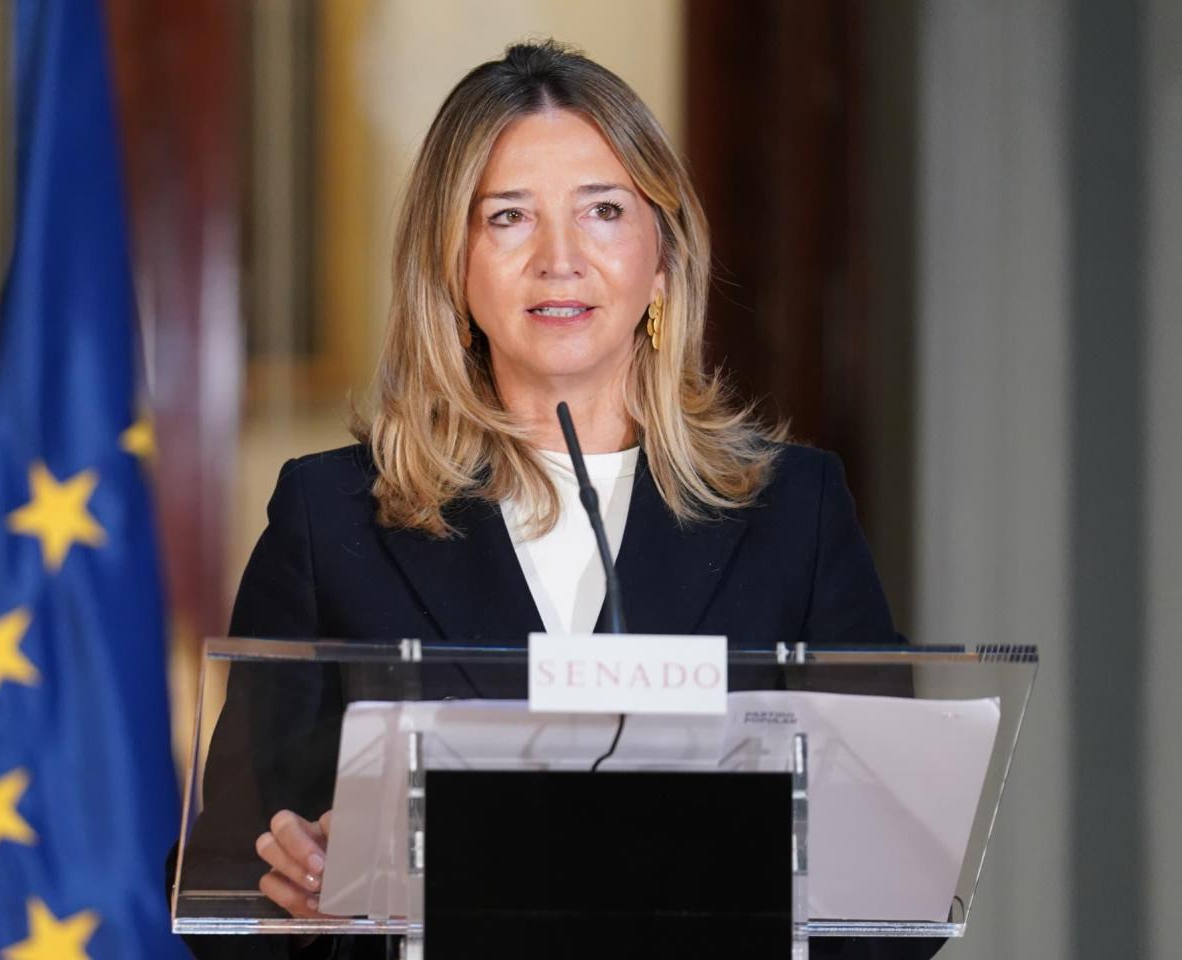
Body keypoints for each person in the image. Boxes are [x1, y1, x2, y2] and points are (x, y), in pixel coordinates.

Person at [180, 40, 930, 960]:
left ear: (663, 257)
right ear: (451, 263)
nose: (559, 259)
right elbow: (227, 879)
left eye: (603, 211)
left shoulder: (795, 515)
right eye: (509, 217)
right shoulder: (331, 517)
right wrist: (304, 903)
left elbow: (899, 886)